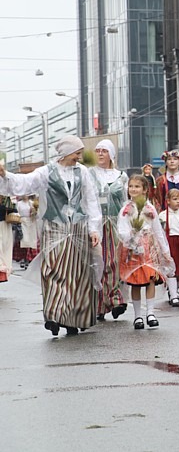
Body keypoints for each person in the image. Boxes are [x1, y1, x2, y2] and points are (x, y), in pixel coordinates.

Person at [0, 136, 103, 336]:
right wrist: (5, 175)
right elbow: (23, 183)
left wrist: (93, 229)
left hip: (78, 229)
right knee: (53, 270)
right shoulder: (46, 172)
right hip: (54, 227)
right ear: (65, 153)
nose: (79, 157)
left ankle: (74, 319)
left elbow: (91, 201)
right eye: (76, 153)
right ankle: (54, 315)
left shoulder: (82, 172)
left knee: (77, 274)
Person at [118, 175, 174, 329]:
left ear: (144, 190)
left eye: (137, 186)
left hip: (149, 248)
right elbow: (122, 230)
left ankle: (150, 312)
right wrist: (131, 236)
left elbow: (158, 230)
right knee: (136, 283)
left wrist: (165, 251)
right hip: (132, 249)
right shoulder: (126, 210)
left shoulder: (150, 209)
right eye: (131, 186)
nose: (133, 189)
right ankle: (137, 316)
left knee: (150, 279)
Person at [89, 139, 129, 321]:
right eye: (98, 151)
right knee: (98, 262)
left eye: (104, 151)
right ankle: (99, 304)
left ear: (111, 154)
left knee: (114, 261)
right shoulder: (89, 175)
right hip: (96, 223)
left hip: (114, 222)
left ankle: (116, 299)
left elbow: (125, 202)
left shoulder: (121, 176)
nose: (100, 154)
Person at [159, 188, 179, 307]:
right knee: (170, 270)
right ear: (168, 201)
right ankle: (173, 295)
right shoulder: (162, 216)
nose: (178, 202)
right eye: (174, 199)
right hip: (169, 243)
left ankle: (175, 289)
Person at [16, 195, 39, 269]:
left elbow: (36, 213)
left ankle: (29, 260)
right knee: (24, 241)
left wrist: (34, 212)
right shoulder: (19, 204)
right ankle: (25, 259)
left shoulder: (31, 203)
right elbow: (17, 213)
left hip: (31, 222)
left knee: (31, 241)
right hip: (23, 222)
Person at [0, 196, 17, 282]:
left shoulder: (8, 201)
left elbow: (15, 212)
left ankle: (4, 272)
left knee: (5, 249)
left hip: (5, 226)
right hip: (3, 226)